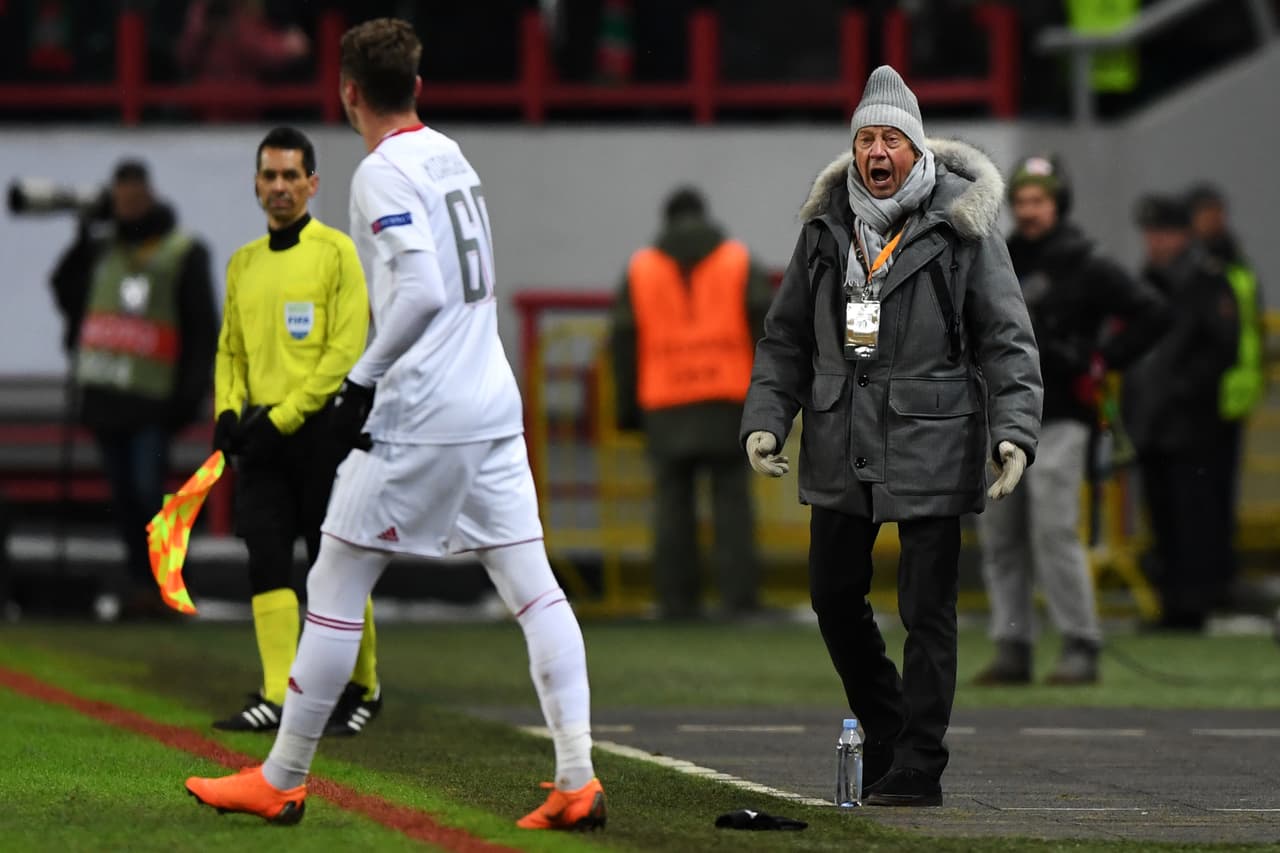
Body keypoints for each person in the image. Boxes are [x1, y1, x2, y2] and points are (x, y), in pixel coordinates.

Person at [186, 18, 605, 831]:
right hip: (491, 402)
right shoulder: (451, 154)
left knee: (335, 579)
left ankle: (282, 777)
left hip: (425, 412)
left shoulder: (381, 173)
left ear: (348, 92)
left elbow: (420, 292)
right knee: (534, 589)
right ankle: (577, 775)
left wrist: (360, 381)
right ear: (416, 86)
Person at [741, 66, 1042, 807]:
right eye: (866, 139)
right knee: (832, 596)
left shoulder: (963, 225)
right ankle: (885, 725)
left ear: (917, 148)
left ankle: (919, 763)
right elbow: (785, 340)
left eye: (891, 140)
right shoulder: (824, 229)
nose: (877, 152)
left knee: (927, 612)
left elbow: (1007, 338)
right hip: (841, 438)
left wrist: (1014, 431)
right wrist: (766, 418)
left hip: (934, 439)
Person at [211, 127, 382, 737]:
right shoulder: (243, 264)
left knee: (332, 565)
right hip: (262, 438)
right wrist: (228, 412)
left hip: (320, 434)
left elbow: (344, 352)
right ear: (255, 184)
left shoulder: (336, 253)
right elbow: (230, 350)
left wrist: (281, 419)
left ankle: (362, 686)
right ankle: (277, 694)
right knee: (265, 561)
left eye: (290, 175)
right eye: (269, 175)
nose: (279, 186)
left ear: (312, 183)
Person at [974, 154, 1167, 686]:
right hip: (1001, 417)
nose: (1028, 210)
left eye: (1039, 200)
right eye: (1021, 201)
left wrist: (1103, 359)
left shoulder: (1087, 262)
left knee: (1053, 531)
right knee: (1001, 536)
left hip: (1062, 416)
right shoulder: (1001, 258)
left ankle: (1080, 641)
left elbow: (1154, 312)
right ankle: (1013, 644)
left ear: (1059, 204)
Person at [58, 160, 216, 618]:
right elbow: (66, 292)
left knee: (148, 495)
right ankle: (140, 585)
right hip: (106, 398)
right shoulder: (102, 249)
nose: (126, 206)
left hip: (153, 400)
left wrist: (189, 396)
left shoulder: (182, 251)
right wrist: (83, 235)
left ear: (149, 195)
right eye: (119, 197)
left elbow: (201, 326)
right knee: (125, 500)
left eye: (133, 196)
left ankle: (166, 583)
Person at [608, 186, 773, 620]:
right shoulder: (738, 260)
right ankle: (739, 600)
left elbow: (623, 341)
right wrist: (770, 400)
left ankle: (676, 602)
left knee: (671, 505)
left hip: (664, 400)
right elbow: (766, 331)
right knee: (733, 502)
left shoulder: (640, 269)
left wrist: (626, 409)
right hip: (728, 398)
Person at [1123, 195, 1239, 632]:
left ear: (1182, 236)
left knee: (1193, 516)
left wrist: (1180, 390)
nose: (1154, 242)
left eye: (1163, 233)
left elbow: (1221, 347)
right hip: (1153, 424)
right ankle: (1172, 603)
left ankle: (1193, 603)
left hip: (1192, 425)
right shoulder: (1147, 282)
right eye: (1150, 234)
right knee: (1163, 516)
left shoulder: (1207, 281)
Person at [1186, 183, 1265, 606]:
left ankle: (1222, 579)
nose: (1213, 221)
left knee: (1220, 494)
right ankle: (1211, 581)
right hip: (1210, 397)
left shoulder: (1232, 266)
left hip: (1233, 397)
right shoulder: (1209, 268)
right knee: (1204, 497)